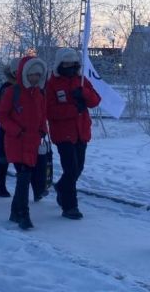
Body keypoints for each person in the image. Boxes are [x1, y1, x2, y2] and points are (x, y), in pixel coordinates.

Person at [45, 48, 101, 220]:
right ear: (60, 64)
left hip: (81, 131)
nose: (70, 66)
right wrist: (73, 109)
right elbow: (49, 110)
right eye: (66, 63)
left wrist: (84, 93)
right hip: (63, 134)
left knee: (78, 168)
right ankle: (70, 206)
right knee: (71, 169)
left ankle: (62, 187)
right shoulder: (52, 83)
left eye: (72, 63)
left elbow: (95, 100)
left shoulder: (82, 80)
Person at [0, 56, 48, 230]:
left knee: (24, 178)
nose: (35, 77)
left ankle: (14, 212)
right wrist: (16, 130)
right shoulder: (13, 92)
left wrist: (43, 130)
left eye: (38, 74)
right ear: (25, 74)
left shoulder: (39, 94)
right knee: (24, 176)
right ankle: (23, 214)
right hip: (17, 142)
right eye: (32, 74)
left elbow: (42, 115)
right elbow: (2, 115)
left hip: (33, 142)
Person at [0, 58, 20, 198]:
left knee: (21, 161)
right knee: (4, 159)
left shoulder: (29, 87)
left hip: (23, 130)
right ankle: (0, 187)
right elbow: (2, 110)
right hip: (7, 129)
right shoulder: (7, 88)